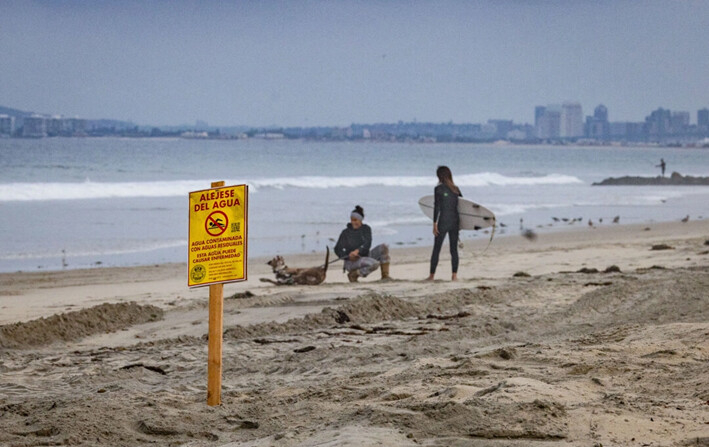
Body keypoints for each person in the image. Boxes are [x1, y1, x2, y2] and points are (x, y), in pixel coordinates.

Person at [334, 205, 391, 282]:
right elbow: (337, 249)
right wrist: (348, 256)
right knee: (374, 264)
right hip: (351, 262)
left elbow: (368, 243)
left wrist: (358, 251)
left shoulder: (366, 229)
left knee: (384, 247)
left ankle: (385, 276)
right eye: (352, 220)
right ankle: (354, 274)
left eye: (355, 220)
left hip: (365, 255)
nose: (353, 222)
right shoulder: (345, 233)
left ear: (360, 220)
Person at [427, 166, 462, 281]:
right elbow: (462, 207)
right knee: (454, 250)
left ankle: (432, 276)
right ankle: (454, 275)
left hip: (443, 221)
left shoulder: (439, 189)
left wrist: (434, 223)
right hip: (455, 221)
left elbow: (437, 207)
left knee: (437, 249)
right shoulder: (456, 189)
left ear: (439, 176)